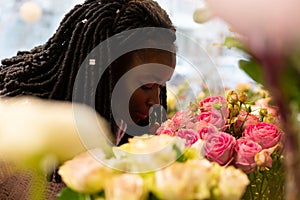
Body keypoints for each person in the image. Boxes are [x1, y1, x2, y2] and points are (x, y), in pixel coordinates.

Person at [0, 0, 176, 199]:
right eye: (147, 86)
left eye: (160, 87)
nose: (156, 101)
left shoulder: (121, 126)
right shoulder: (20, 132)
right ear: (104, 72)